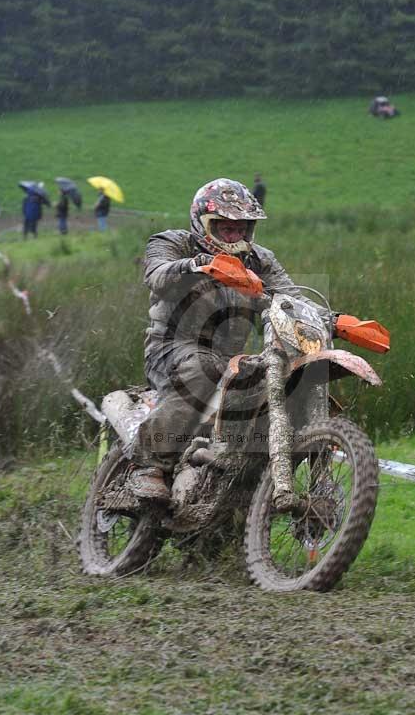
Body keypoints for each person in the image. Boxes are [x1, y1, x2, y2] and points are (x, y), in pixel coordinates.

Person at [127, 177, 331, 502]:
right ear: (204, 223)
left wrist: (333, 318)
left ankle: (237, 488)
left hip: (229, 360)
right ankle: (148, 466)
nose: (234, 235)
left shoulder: (260, 260)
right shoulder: (174, 242)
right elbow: (157, 275)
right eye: (225, 227)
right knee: (202, 368)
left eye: (241, 228)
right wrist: (198, 266)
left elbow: (290, 296)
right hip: (170, 349)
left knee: (269, 383)